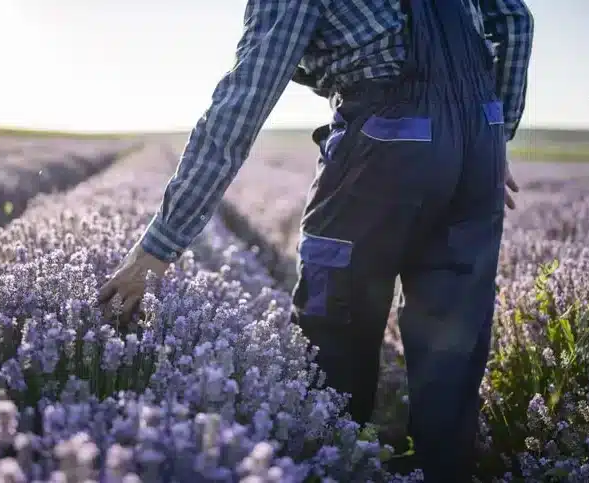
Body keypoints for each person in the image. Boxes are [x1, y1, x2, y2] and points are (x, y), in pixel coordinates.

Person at [98, 0, 533, 480]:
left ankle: (331, 462)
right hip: (479, 149)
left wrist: (159, 245)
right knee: (453, 342)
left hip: (386, 144)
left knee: (334, 332)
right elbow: (514, 19)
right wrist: (495, 133)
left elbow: (243, 101)